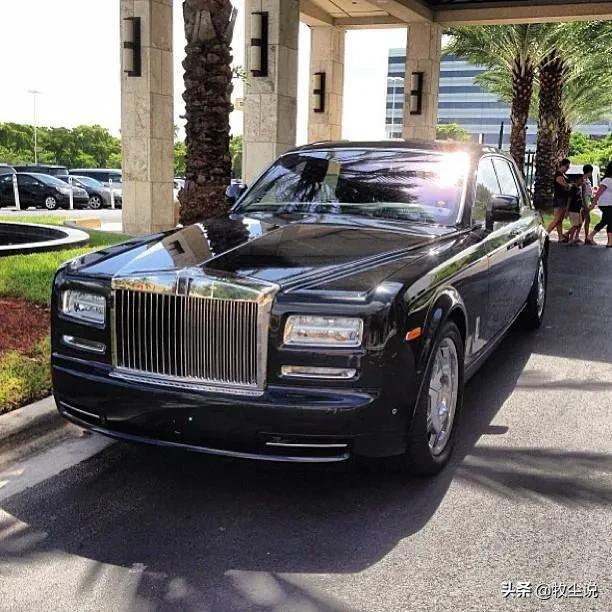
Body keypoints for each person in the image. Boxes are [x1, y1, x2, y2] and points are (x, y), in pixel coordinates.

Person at [587, 160, 612, 248]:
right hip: (605, 204)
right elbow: (598, 193)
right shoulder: (607, 180)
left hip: (610, 204)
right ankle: (610, 242)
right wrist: (593, 204)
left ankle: (590, 236)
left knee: (604, 221)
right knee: (611, 221)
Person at [547, 158, 571, 241]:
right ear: (562, 166)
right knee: (556, 219)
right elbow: (566, 186)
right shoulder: (558, 175)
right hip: (559, 199)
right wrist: (569, 185)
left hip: (563, 198)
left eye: (568, 167)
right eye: (566, 167)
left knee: (560, 220)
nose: (567, 169)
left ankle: (560, 237)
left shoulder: (563, 175)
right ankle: (545, 234)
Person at [566, 175, 585, 245]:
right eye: (581, 180)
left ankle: (572, 237)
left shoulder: (579, 188)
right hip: (573, 209)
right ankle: (570, 239)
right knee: (575, 225)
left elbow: (580, 198)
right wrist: (567, 210)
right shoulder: (573, 188)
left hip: (578, 209)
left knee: (579, 224)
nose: (582, 181)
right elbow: (569, 199)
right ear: (577, 180)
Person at [582, 164, 595, 244]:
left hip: (588, 201)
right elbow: (583, 193)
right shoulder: (583, 180)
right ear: (589, 171)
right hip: (585, 202)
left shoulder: (588, 180)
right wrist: (585, 205)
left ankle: (568, 234)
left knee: (581, 220)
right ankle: (587, 238)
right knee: (587, 220)